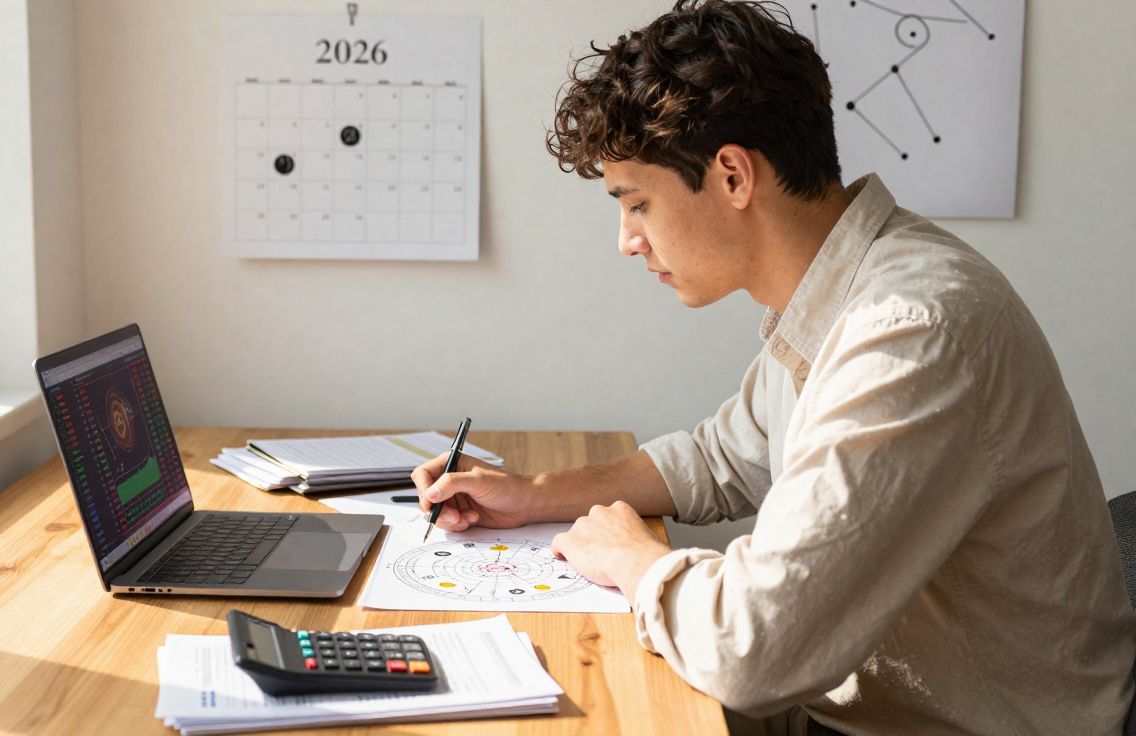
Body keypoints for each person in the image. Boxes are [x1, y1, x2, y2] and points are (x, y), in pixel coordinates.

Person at [410, 1, 1136, 734]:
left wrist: (632, 560)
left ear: (732, 176)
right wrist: (533, 495)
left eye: (637, 204)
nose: (627, 240)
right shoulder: (845, 288)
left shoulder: (908, 332)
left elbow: (753, 651)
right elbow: (721, 459)